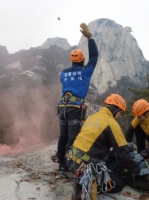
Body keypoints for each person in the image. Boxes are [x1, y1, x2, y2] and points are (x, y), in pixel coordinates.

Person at [65, 94, 149, 193]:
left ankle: (87, 179)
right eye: (121, 113)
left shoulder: (93, 117)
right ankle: (87, 185)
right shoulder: (111, 123)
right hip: (85, 166)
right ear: (115, 110)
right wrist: (138, 170)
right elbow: (123, 153)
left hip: (71, 161)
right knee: (118, 183)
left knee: (110, 163)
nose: (120, 117)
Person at [54, 22, 99, 171]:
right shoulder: (86, 71)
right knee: (72, 138)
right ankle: (67, 166)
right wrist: (89, 38)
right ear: (82, 59)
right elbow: (95, 55)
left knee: (63, 137)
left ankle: (61, 162)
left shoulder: (63, 73)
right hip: (74, 109)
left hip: (62, 108)